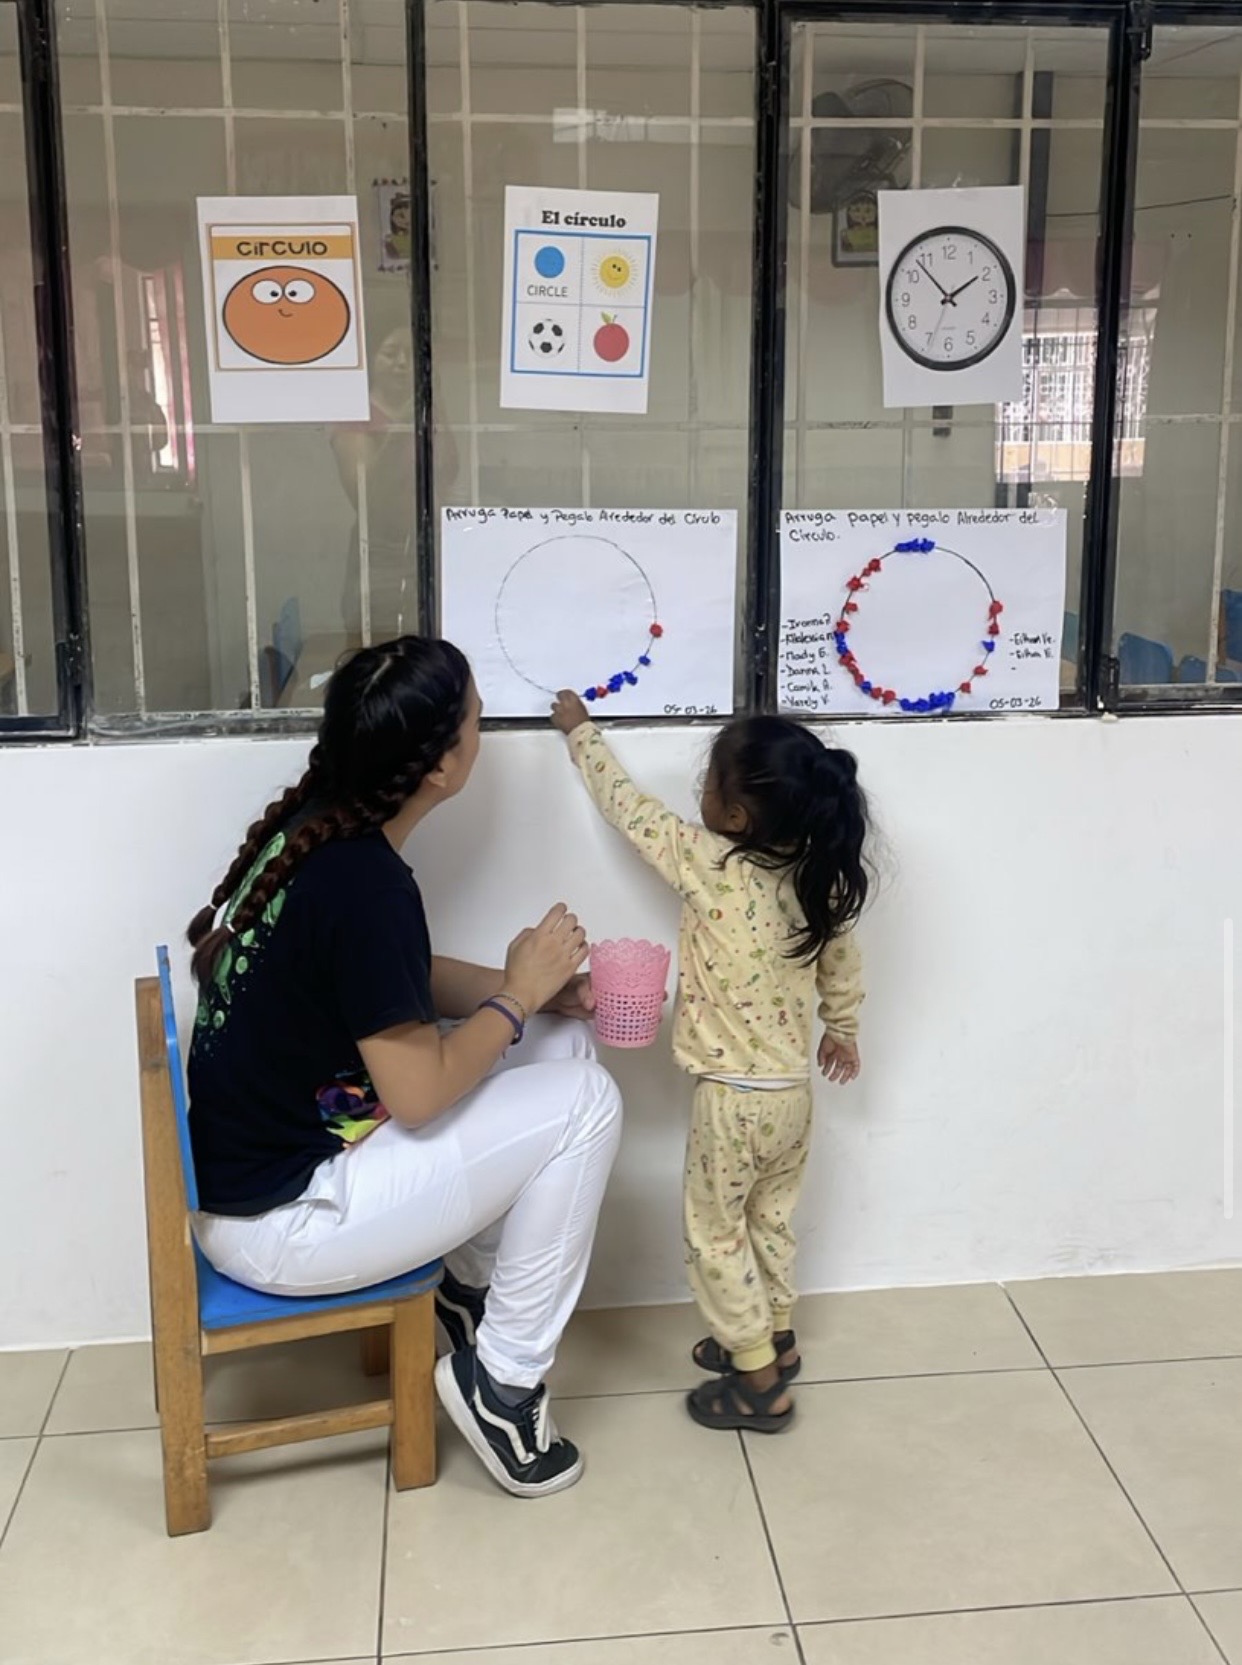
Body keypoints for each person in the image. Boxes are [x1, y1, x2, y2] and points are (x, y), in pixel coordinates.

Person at [186, 638, 623, 1499]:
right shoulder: (367, 883)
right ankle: (503, 1387)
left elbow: (389, 979)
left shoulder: (318, 827)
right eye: (476, 719)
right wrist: (517, 993)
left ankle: (468, 1293)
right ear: (440, 767)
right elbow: (418, 1095)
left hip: (282, 1156)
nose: (483, 731)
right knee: (589, 1101)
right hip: (281, 1220)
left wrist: (534, 994)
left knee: (565, 1048)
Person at [550, 693, 868, 1432]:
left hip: (732, 1102)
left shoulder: (710, 862)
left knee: (714, 1234)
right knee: (771, 1219)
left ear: (737, 816)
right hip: (792, 1096)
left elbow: (628, 809)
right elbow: (843, 964)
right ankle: (775, 1337)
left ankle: (758, 1382)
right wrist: (843, 1030)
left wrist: (580, 733)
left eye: (711, 783)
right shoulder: (816, 878)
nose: (700, 792)